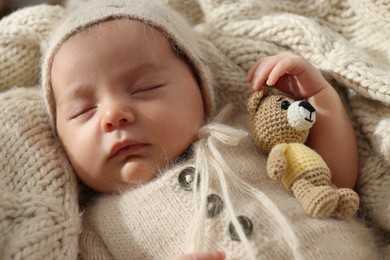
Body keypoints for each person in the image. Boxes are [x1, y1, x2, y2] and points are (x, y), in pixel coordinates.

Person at [41, 0, 378, 259]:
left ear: (201, 89)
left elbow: (333, 177)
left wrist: (320, 98)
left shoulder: (247, 137)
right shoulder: (96, 229)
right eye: (84, 110)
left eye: (144, 88)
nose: (113, 115)